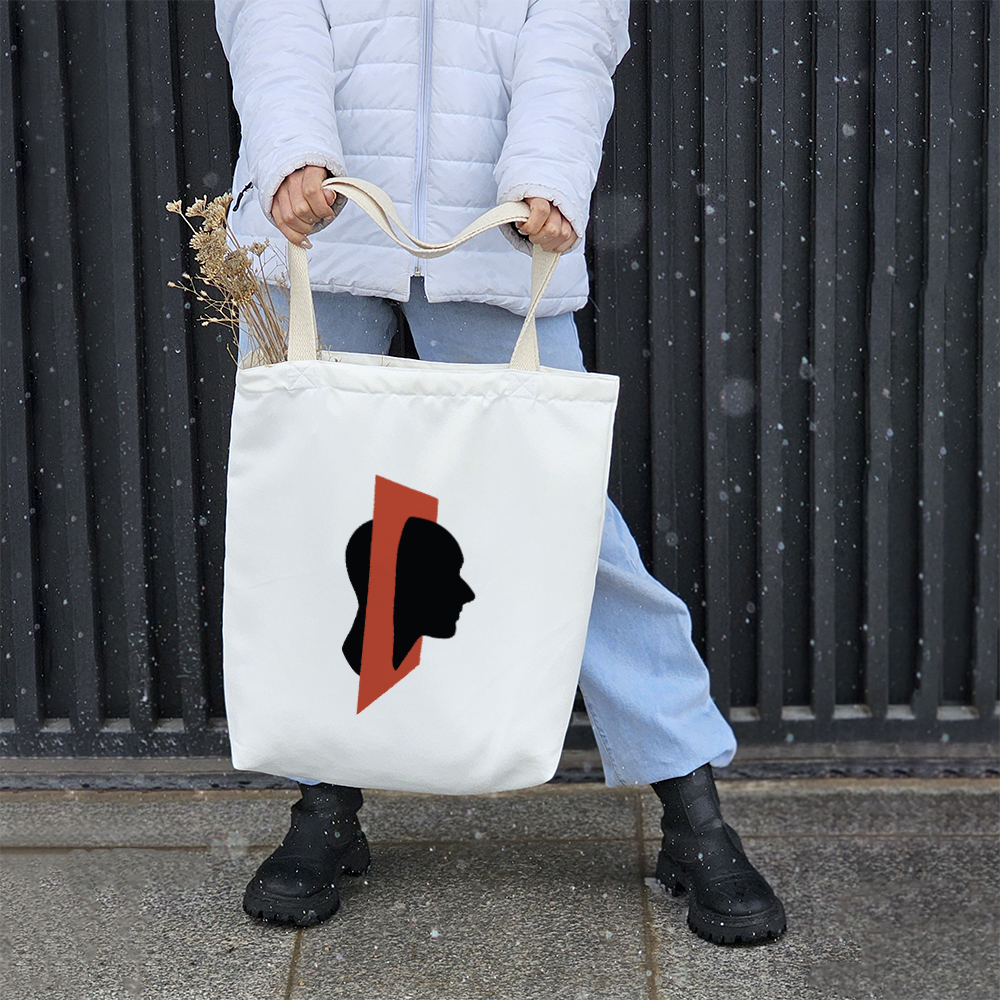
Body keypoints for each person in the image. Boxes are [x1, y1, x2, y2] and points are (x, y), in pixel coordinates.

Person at [215, 0, 786, 946]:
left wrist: (548, 174)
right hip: (316, 228)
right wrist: (291, 153)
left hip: (495, 233)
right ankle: (323, 802)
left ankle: (693, 812)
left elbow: (573, 27)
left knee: (569, 529)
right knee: (313, 525)